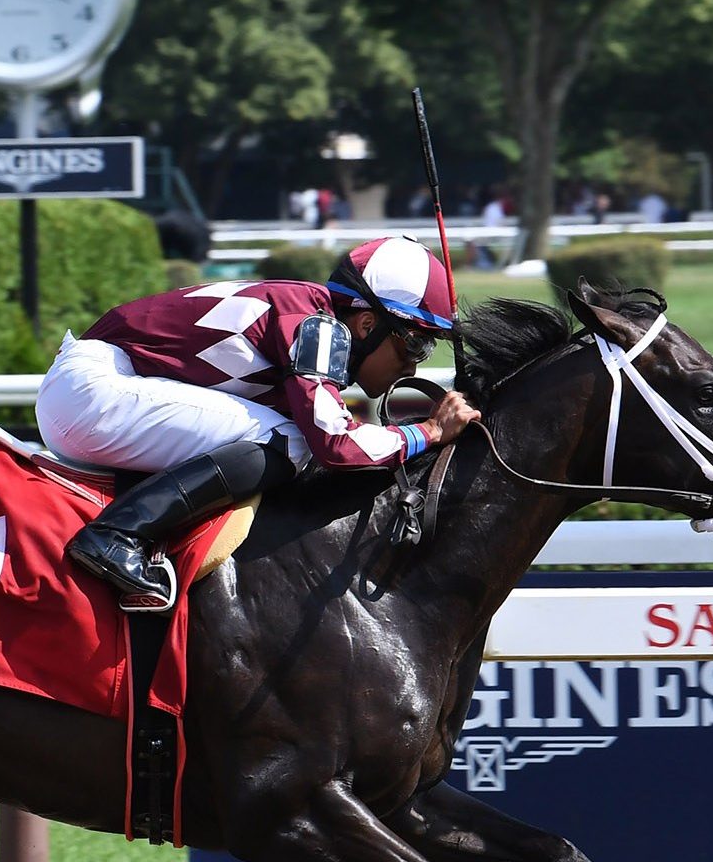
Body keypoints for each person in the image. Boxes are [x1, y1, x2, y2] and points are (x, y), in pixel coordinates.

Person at [37, 236, 481, 610]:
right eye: (415, 346)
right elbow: (336, 445)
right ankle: (116, 535)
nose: (413, 367)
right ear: (367, 324)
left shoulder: (310, 315)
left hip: (96, 392)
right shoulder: (317, 326)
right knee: (291, 441)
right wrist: (429, 432)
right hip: (94, 391)